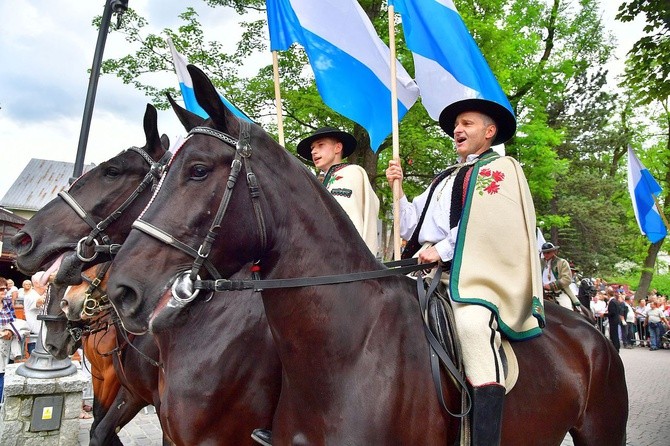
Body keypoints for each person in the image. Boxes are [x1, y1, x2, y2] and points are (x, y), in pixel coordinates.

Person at [385, 98, 544, 445]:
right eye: (457, 124)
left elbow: (483, 224)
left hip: (474, 277)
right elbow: (412, 223)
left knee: (472, 329)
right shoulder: (445, 177)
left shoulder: (500, 170)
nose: (458, 129)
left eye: (468, 123)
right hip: (426, 273)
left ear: (489, 132)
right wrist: (398, 189)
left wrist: (439, 251)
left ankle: (484, 439)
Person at [296, 127, 380, 256]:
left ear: (338, 148)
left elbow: (358, 214)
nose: (313, 151)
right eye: (312, 148)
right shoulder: (315, 183)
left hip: (347, 256)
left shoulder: (353, 173)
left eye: (320, 145)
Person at [539, 243, 581, 311]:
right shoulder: (539, 263)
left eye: (548, 252)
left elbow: (567, 279)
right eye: (544, 253)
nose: (546, 255)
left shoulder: (562, 262)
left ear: (553, 251)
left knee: (568, 310)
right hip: (540, 292)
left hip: (558, 292)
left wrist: (551, 286)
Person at [22, 274, 47, 355]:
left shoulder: (38, 295)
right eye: (46, 282)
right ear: (36, 283)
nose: (48, 284)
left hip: (45, 337)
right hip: (35, 340)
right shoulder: (30, 296)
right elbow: (39, 301)